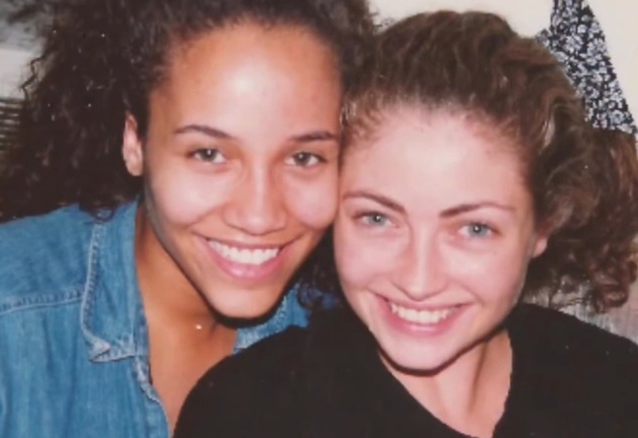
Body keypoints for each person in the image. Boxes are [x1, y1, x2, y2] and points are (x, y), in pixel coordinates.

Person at [0, 0, 376, 436]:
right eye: (209, 154)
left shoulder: (349, 332)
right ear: (135, 142)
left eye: (303, 158)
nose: (260, 214)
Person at [175, 11, 638, 438]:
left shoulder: (614, 386)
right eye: (377, 219)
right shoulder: (249, 415)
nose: (418, 280)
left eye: (474, 229)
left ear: (543, 224)